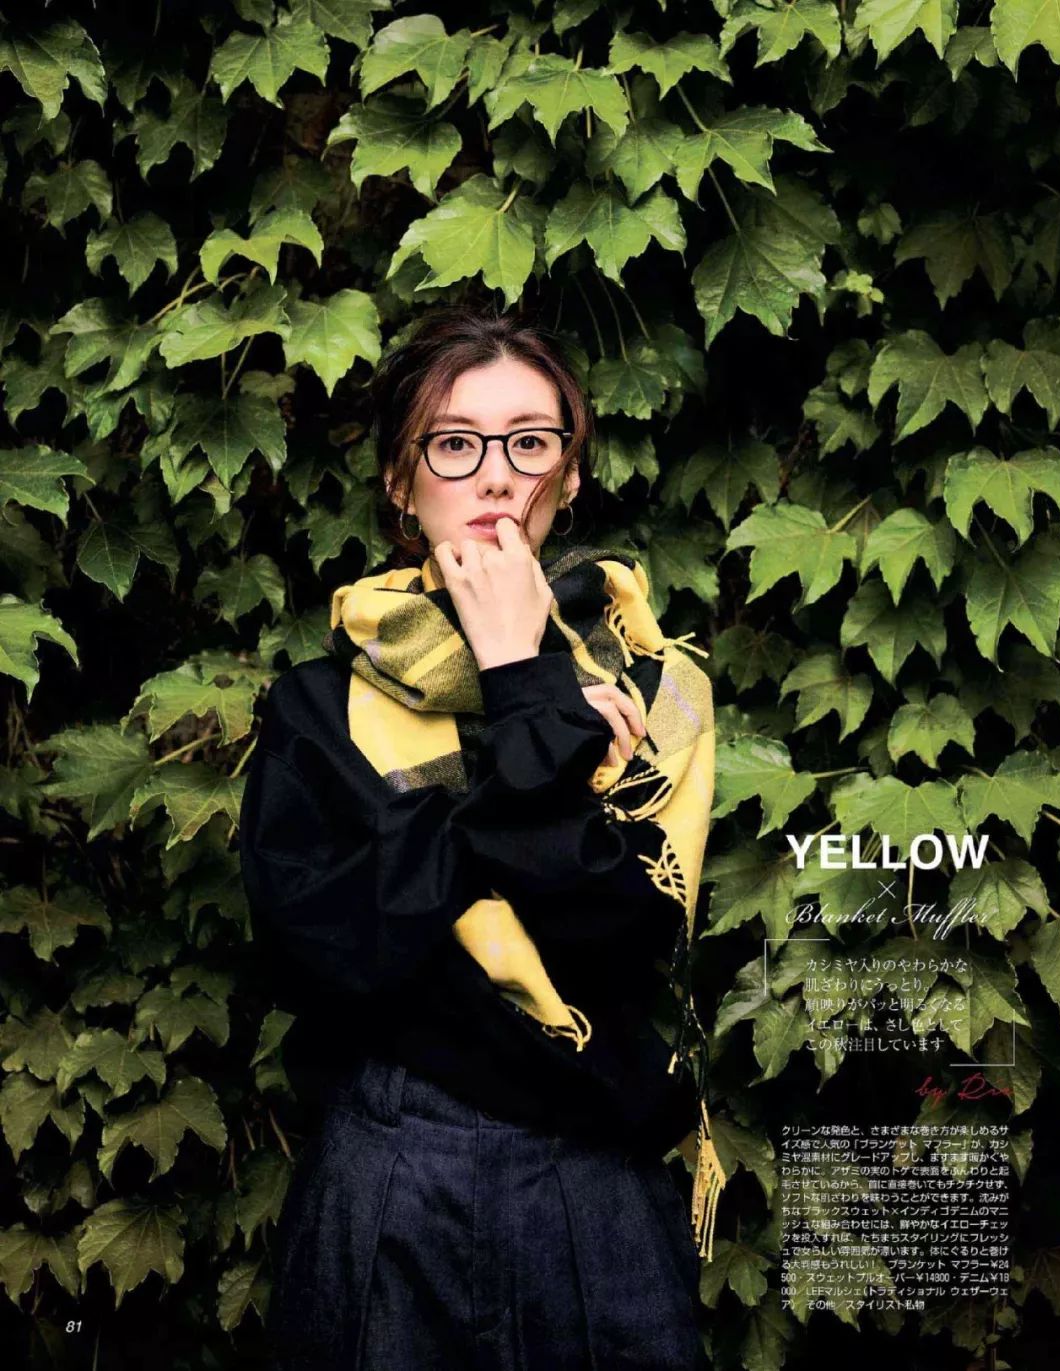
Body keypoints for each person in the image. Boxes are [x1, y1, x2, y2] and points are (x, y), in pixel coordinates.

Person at [238, 305, 719, 1370]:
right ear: (400, 482)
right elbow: (326, 958)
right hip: (390, 1172)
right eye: (455, 444)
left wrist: (518, 675)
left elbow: (623, 937)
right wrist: (532, 733)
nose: (497, 476)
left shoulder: (658, 686)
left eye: (531, 442)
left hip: (594, 1177)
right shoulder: (316, 705)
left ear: (571, 474)